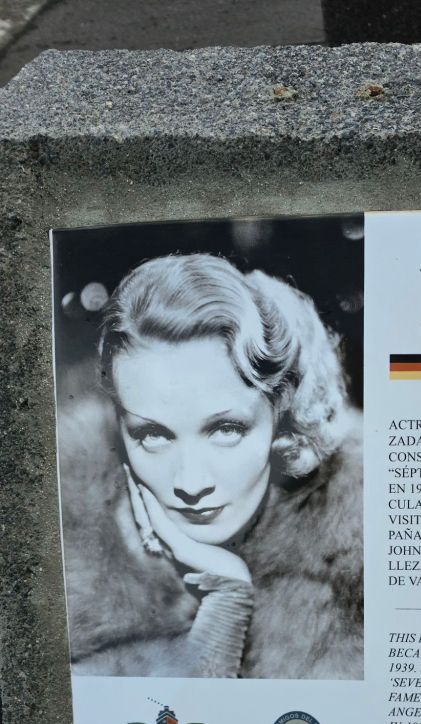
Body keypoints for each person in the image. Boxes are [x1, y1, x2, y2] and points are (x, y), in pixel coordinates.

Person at [58, 253, 363, 679]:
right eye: (153, 435)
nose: (190, 482)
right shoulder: (60, 554)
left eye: (226, 429)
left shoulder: (359, 564)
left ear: (282, 418)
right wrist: (223, 612)